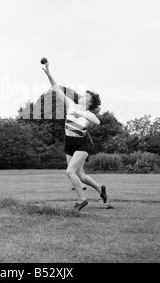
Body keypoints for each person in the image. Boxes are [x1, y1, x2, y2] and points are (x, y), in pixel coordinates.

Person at [42, 61, 107, 211]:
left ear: (89, 103)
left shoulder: (88, 114)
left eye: (85, 97)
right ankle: (100, 189)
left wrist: (81, 113)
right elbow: (57, 89)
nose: (82, 96)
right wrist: (49, 74)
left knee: (70, 171)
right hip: (69, 144)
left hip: (81, 146)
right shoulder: (71, 104)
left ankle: (82, 200)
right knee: (81, 175)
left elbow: (97, 122)